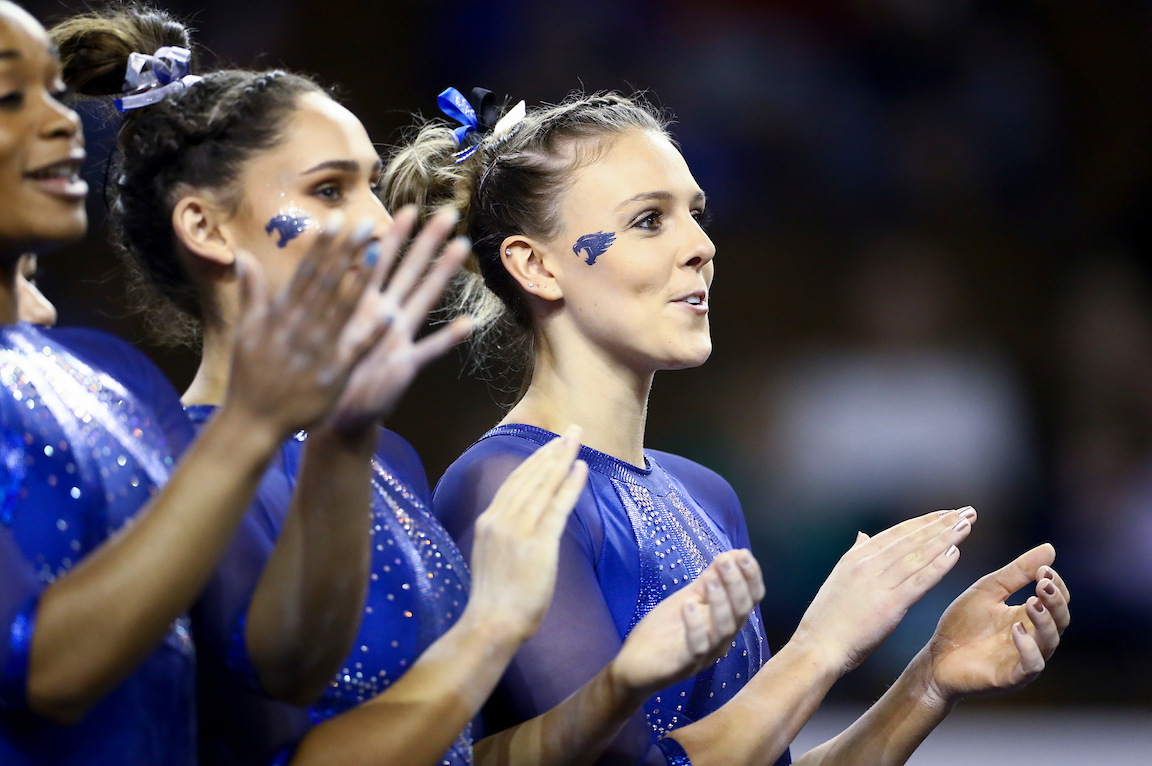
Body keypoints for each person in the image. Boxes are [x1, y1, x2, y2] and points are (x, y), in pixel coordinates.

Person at [53, 5, 768, 766]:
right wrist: (499, 628)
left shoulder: (386, 458)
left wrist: (616, 688)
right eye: (330, 191)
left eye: (369, 186)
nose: (377, 221)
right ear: (206, 227)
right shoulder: (172, 468)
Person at [384, 90, 1073, 766]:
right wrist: (820, 646)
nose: (701, 246)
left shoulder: (705, 493)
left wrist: (927, 681)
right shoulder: (507, 485)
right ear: (535, 264)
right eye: (650, 221)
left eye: (696, 213)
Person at [0, 0, 403, 764]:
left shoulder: (115, 377)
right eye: (5, 98)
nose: (62, 122)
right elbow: (44, 667)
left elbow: (278, 676)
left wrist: (344, 439)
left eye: (53, 95)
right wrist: (254, 423)